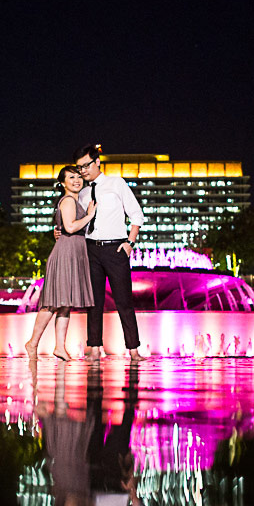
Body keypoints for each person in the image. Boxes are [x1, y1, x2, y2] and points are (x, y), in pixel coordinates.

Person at [73, 143, 145, 361]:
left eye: (86, 165)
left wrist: (130, 243)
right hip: (91, 249)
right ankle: (94, 348)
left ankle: (133, 350)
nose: (83, 171)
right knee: (93, 302)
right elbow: (77, 222)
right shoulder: (83, 193)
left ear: (97, 162)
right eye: (79, 168)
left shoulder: (116, 183)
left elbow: (136, 214)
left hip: (116, 249)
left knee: (124, 301)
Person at [25, 166, 96, 360]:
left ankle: (60, 347)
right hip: (66, 253)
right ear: (63, 183)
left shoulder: (72, 200)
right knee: (53, 303)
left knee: (65, 304)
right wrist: (89, 216)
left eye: (78, 177)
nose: (76, 180)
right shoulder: (68, 201)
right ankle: (32, 343)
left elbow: (64, 227)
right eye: (71, 177)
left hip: (72, 252)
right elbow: (71, 226)